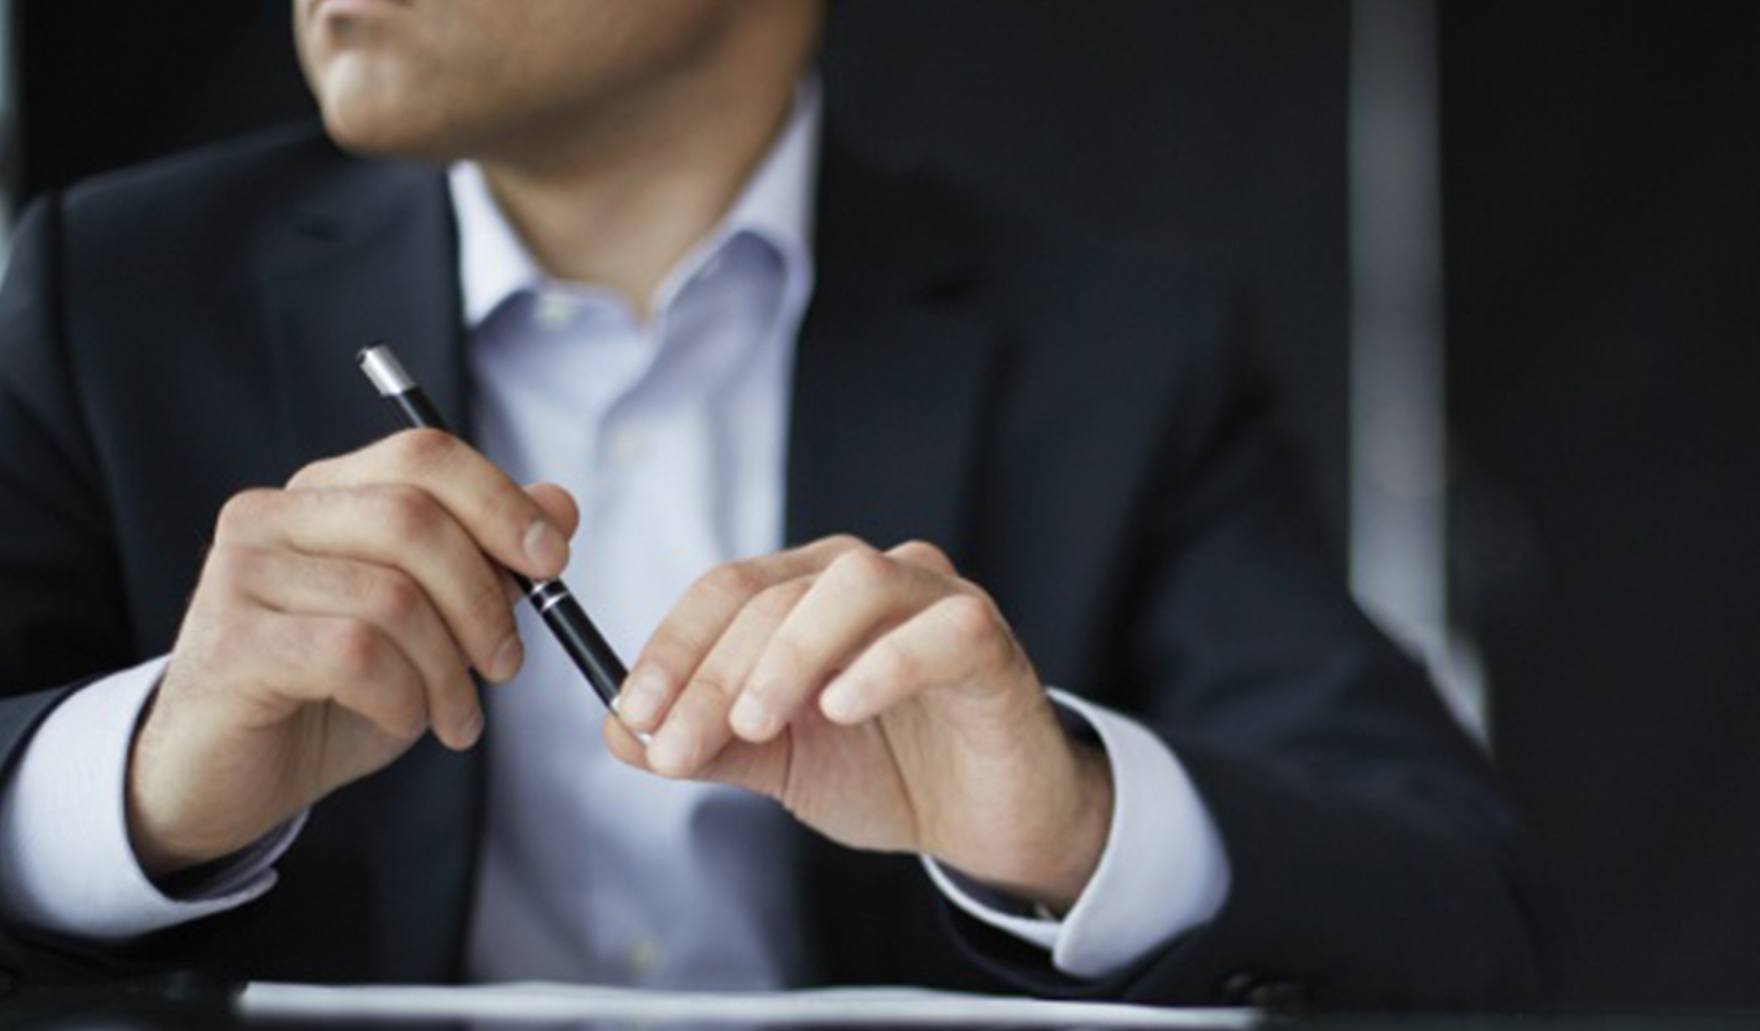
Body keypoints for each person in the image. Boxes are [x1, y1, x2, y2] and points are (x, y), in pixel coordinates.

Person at [0, 0, 1540, 1007]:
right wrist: (136, 785)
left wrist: (1074, 822)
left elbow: (1464, 910)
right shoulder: (106, 294)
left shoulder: (1118, 355)